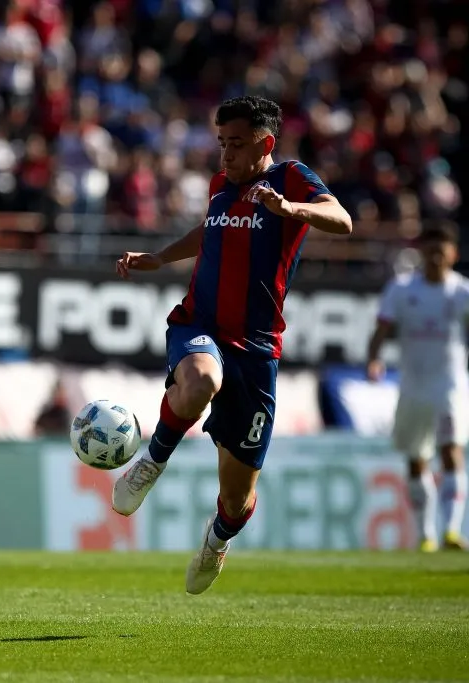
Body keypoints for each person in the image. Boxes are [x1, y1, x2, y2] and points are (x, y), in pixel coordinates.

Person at [112, 96, 353, 594]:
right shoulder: (220, 185)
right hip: (199, 323)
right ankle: (152, 461)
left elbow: (342, 219)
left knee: (237, 498)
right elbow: (211, 231)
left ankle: (217, 540)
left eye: (237, 144)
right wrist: (161, 257)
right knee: (201, 379)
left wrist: (290, 209)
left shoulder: (290, 178)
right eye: (222, 143)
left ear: (265, 143)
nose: (226, 154)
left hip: (257, 349)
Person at [366, 225, 469, 552]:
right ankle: (426, 535)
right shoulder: (401, 288)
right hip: (412, 384)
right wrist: (374, 358)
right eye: (431, 249)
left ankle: (451, 531)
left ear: (453, 254)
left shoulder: (462, 292)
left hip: (449, 384)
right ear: (422, 252)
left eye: (442, 250)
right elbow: (382, 327)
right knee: (416, 458)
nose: (436, 256)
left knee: (451, 449)